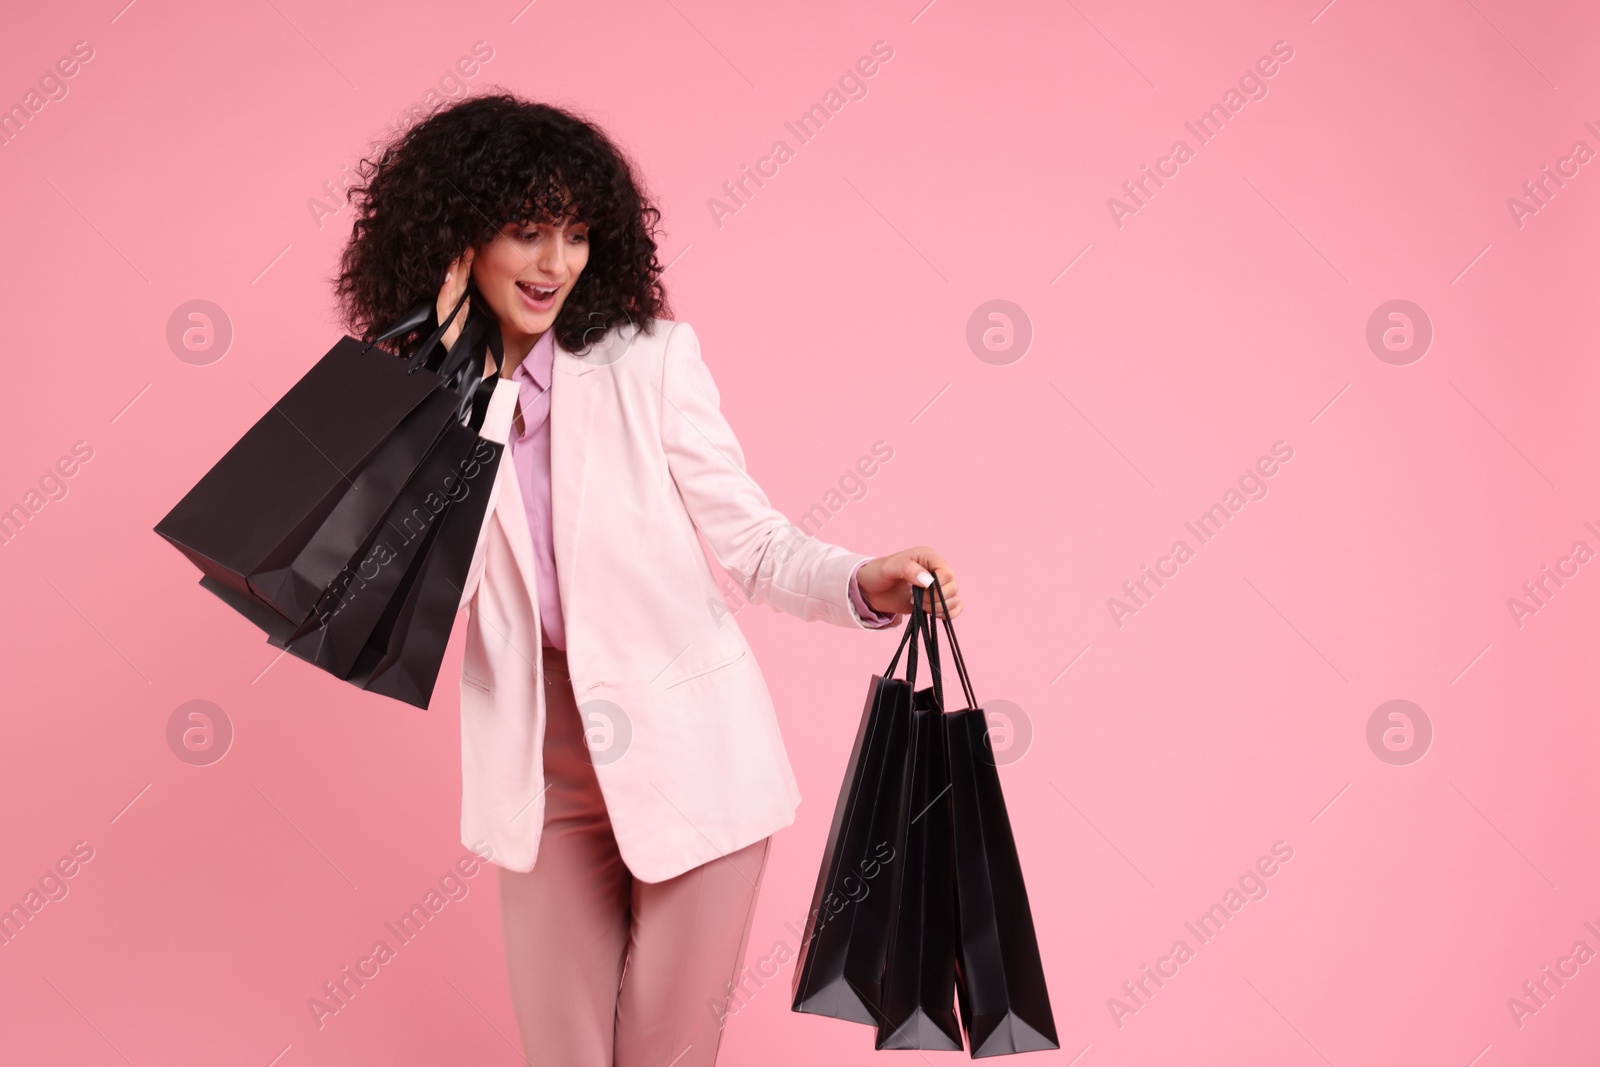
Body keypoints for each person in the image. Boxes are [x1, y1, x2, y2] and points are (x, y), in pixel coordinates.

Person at [335, 92, 961, 1066]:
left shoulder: (650, 360)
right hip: (538, 770)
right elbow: (417, 578)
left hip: (694, 755)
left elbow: (752, 542)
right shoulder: (415, 390)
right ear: (458, 235)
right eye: (525, 231)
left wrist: (860, 578)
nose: (555, 263)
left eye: (577, 234)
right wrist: (463, 371)